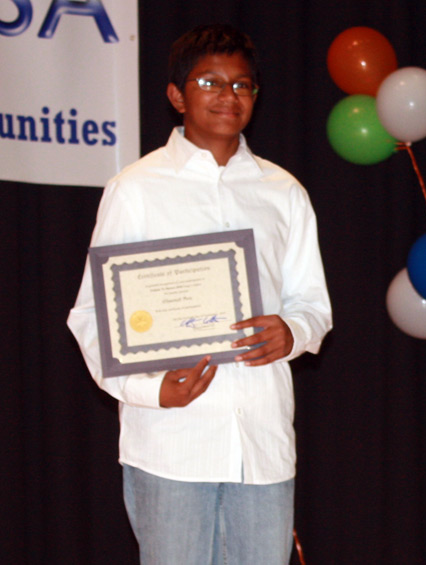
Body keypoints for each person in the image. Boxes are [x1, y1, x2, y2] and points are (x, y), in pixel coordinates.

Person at [68, 23, 332, 565]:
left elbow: (314, 305)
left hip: (261, 445)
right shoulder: (136, 189)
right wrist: (151, 390)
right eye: (210, 81)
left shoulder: (282, 191)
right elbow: (93, 315)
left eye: (242, 85)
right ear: (176, 95)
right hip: (170, 443)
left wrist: (293, 332)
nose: (228, 96)